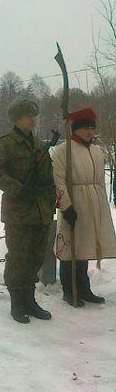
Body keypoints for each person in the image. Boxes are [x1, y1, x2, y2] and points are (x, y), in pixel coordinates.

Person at [0, 98, 56, 324]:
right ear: (16, 119)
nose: (33, 119)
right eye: (28, 115)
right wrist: (16, 188)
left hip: (41, 211)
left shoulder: (38, 145)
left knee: (35, 258)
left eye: (35, 115)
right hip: (19, 213)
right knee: (18, 258)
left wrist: (51, 200)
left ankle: (30, 301)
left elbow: (48, 178)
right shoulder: (6, 144)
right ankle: (17, 303)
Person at [52, 107, 116, 306]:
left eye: (92, 128)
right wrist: (66, 206)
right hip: (74, 202)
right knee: (71, 247)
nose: (89, 132)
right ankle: (69, 290)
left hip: (93, 203)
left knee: (86, 246)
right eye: (85, 128)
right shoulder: (64, 151)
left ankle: (84, 288)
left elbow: (99, 182)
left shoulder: (96, 151)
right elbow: (58, 180)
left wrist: (102, 205)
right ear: (75, 129)